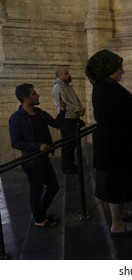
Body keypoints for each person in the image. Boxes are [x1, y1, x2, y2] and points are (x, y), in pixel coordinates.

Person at [85, 49, 132, 236]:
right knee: (115, 185)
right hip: (115, 148)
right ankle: (117, 224)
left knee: (119, 183)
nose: (122, 71)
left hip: (114, 146)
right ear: (108, 69)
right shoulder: (107, 89)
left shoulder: (105, 86)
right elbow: (127, 113)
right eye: (119, 68)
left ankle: (120, 214)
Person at [9, 83, 67, 227]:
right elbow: (15, 142)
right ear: (26, 98)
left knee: (53, 186)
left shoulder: (39, 112)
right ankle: (39, 220)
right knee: (36, 190)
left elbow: (55, 123)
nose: (37, 95)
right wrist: (37, 146)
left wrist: (63, 110)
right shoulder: (16, 118)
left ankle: (41, 213)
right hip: (31, 161)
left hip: (44, 158)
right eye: (34, 93)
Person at [51, 67, 85, 174]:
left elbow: (76, 100)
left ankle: (70, 163)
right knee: (68, 143)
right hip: (66, 119)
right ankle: (66, 166)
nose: (69, 75)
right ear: (60, 76)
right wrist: (79, 110)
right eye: (66, 73)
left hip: (73, 117)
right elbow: (65, 104)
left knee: (73, 143)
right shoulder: (57, 87)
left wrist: (81, 109)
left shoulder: (68, 86)